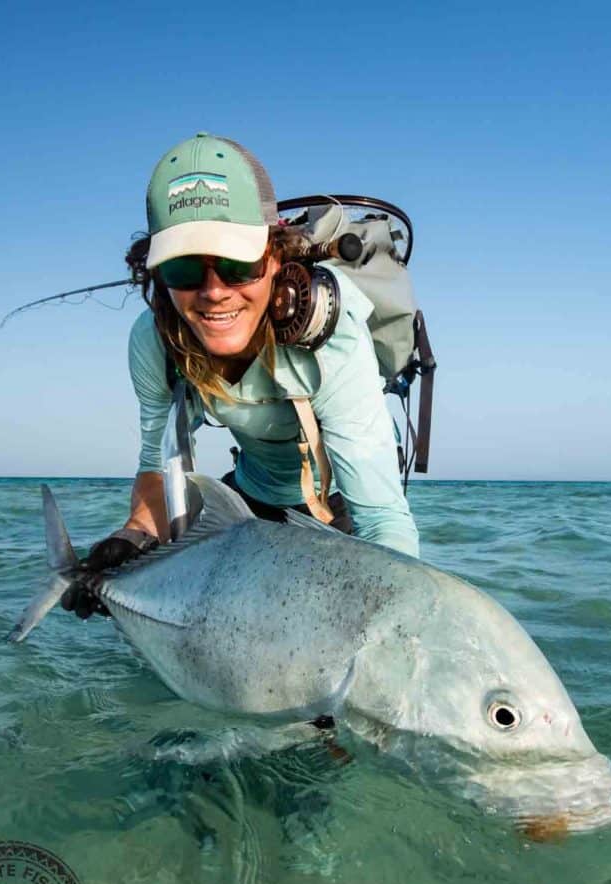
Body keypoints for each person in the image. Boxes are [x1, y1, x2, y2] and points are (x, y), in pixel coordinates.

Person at [63, 132, 418, 619]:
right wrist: (132, 537)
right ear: (156, 272)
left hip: (342, 506)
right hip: (248, 498)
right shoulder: (153, 340)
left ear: (275, 257)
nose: (213, 292)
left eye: (236, 264)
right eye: (185, 268)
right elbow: (158, 465)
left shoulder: (332, 335)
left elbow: (381, 518)